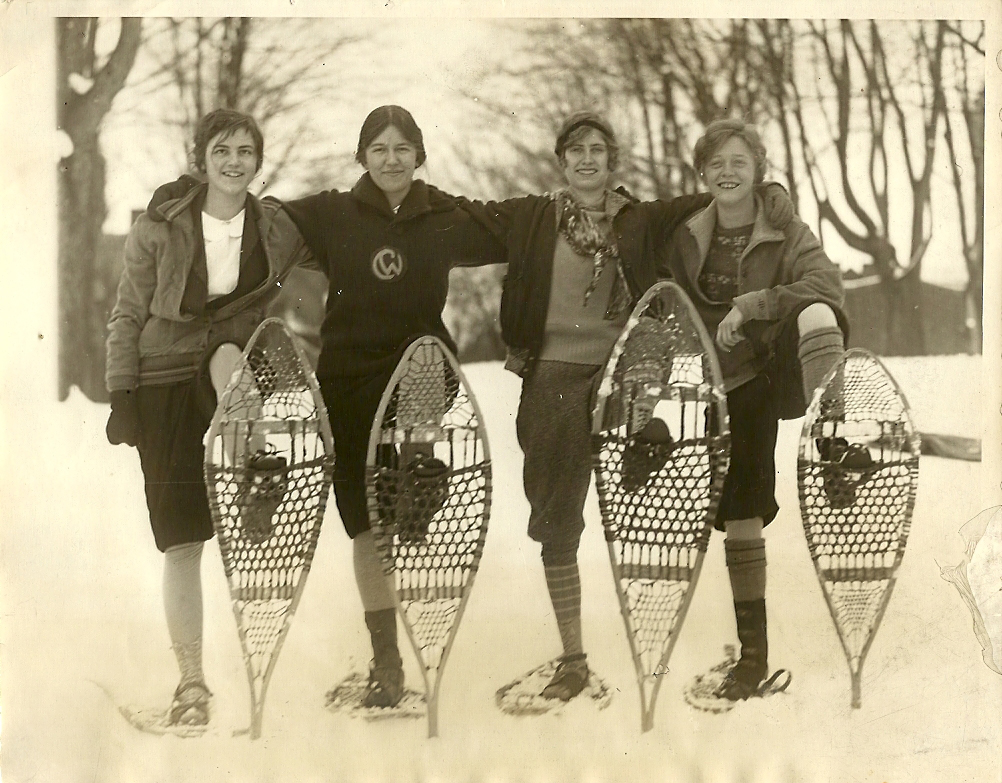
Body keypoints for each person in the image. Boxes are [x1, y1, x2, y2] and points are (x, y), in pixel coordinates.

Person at [454, 111, 795, 702]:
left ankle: (644, 447)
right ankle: (573, 660)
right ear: (561, 160)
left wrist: (772, 192)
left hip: (624, 371)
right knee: (556, 519)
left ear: (614, 162)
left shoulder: (640, 218)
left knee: (642, 511)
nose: (587, 159)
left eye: (598, 150)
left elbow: (715, 191)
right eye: (576, 150)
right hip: (554, 375)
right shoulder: (533, 216)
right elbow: (459, 218)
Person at [272, 106, 509, 707]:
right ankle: (385, 662)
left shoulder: (441, 216)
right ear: (362, 156)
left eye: (403, 147)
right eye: (378, 148)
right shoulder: (331, 213)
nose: (391, 158)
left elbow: (515, 224)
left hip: (418, 373)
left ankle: (419, 471)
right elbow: (258, 220)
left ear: (419, 154)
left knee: (426, 358)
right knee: (366, 526)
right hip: (349, 377)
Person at [105, 109, 312, 727]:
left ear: (258, 160)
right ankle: (191, 682)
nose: (234, 162)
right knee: (182, 542)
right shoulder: (159, 225)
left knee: (229, 352)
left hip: (231, 369)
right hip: (163, 375)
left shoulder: (275, 226)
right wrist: (123, 392)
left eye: (246, 151)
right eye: (223, 150)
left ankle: (256, 470)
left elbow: (340, 234)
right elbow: (126, 312)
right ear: (202, 158)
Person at [662, 118, 866, 701]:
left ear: (757, 170)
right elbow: (668, 302)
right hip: (722, 379)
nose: (728, 173)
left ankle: (834, 441)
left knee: (820, 315)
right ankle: (753, 659)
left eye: (740, 162)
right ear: (702, 172)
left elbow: (828, 284)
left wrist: (753, 304)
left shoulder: (782, 225)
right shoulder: (686, 234)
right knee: (741, 507)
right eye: (717, 163)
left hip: (776, 362)